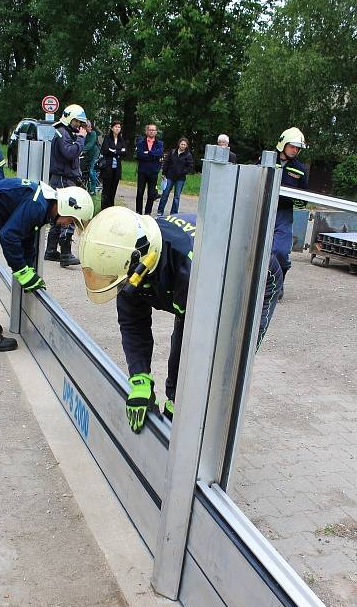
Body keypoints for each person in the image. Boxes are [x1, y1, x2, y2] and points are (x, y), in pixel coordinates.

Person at [78, 207, 283, 433]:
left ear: (142, 260)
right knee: (185, 337)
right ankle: (179, 412)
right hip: (193, 287)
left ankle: (210, 442)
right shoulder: (131, 265)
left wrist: (182, 403)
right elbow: (133, 324)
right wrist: (140, 378)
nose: (123, 289)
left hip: (255, 278)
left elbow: (199, 347)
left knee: (227, 363)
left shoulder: (194, 274)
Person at [0, 178, 93, 352]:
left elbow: (25, 238)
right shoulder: (37, 205)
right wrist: (22, 271)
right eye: (72, 220)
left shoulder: (42, 203)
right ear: (67, 207)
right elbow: (9, 236)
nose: (69, 224)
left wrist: (28, 268)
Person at [44, 103, 88, 267]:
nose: (79, 125)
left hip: (62, 178)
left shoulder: (64, 132)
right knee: (69, 213)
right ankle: (66, 252)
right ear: (69, 119)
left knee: (58, 214)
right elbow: (70, 153)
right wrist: (81, 139)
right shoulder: (63, 133)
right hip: (62, 179)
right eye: (77, 122)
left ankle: (51, 250)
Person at [273, 127, 308, 290]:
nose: (295, 150)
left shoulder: (300, 169)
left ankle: (277, 284)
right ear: (283, 143)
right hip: (261, 210)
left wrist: (296, 197)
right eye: (292, 146)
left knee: (280, 251)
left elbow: (304, 198)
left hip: (283, 214)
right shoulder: (266, 159)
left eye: (298, 148)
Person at [157, 137, 194, 216]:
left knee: (176, 197)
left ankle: (174, 213)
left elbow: (190, 167)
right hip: (169, 177)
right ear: (179, 144)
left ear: (186, 146)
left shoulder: (188, 155)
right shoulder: (172, 152)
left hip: (180, 179)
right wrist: (164, 173)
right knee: (165, 194)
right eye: (182, 144)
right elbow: (166, 162)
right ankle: (160, 211)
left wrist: (182, 172)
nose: (183, 146)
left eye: (184, 144)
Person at [135, 123, 164, 215]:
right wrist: (152, 154)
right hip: (142, 171)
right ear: (146, 131)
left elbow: (159, 153)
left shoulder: (159, 143)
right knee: (140, 192)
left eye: (153, 130)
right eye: (150, 130)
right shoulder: (141, 142)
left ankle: (148, 213)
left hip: (153, 171)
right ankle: (138, 212)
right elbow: (140, 155)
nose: (151, 131)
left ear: (156, 132)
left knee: (151, 194)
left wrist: (148, 153)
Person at [99, 120, 126, 210]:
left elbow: (124, 151)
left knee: (113, 190)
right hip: (108, 168)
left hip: (116, 169)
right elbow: (105, 150)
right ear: (112, 128)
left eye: (119, 127)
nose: (117, 129)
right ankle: (104, 209)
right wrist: (117, 152)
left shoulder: (121, 139)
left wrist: (114, 151)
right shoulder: (107, 138)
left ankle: (111, 208)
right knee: (106, 190)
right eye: (116, 127)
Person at [83, 120, 101, 194]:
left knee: (91, 170)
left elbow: (90, 144)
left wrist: (81, 150)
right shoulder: (84, 134)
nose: (90, 128)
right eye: (88, 127)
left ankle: (93, 189)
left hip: (95, 154)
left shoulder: (93, 134)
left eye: (90, 126)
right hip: (88, 155)